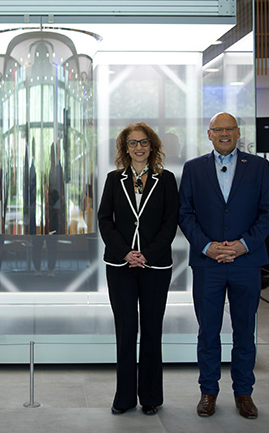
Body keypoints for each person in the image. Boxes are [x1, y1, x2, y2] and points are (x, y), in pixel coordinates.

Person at [178, 112, 269, 420]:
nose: (223, 133)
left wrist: (242, 245)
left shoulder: (259, 167)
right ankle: (208, 392)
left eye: (229, 129)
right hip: (208, 264)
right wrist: (208, 247)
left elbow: (268, 213)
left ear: (237, 133)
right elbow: (185, 214)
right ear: (209, 135)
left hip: (246, 262)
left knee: (245, 331)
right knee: (208, 331)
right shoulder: (193, 169)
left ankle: (243, 393)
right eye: (217, 129)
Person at [98, 122, 178, 416]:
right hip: (120, 266)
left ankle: (151, 397)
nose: (139, 148)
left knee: (152, 331)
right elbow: (105, 220)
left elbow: (171, 222)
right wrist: (126, 253)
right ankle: (124, 398)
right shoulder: (113, 179)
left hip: (155, 265)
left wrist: (146, 254)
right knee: (126, 330)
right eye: (133, 143)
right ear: (125, 148)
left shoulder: (166, 180)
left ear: (152, 146)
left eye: (144, 142)